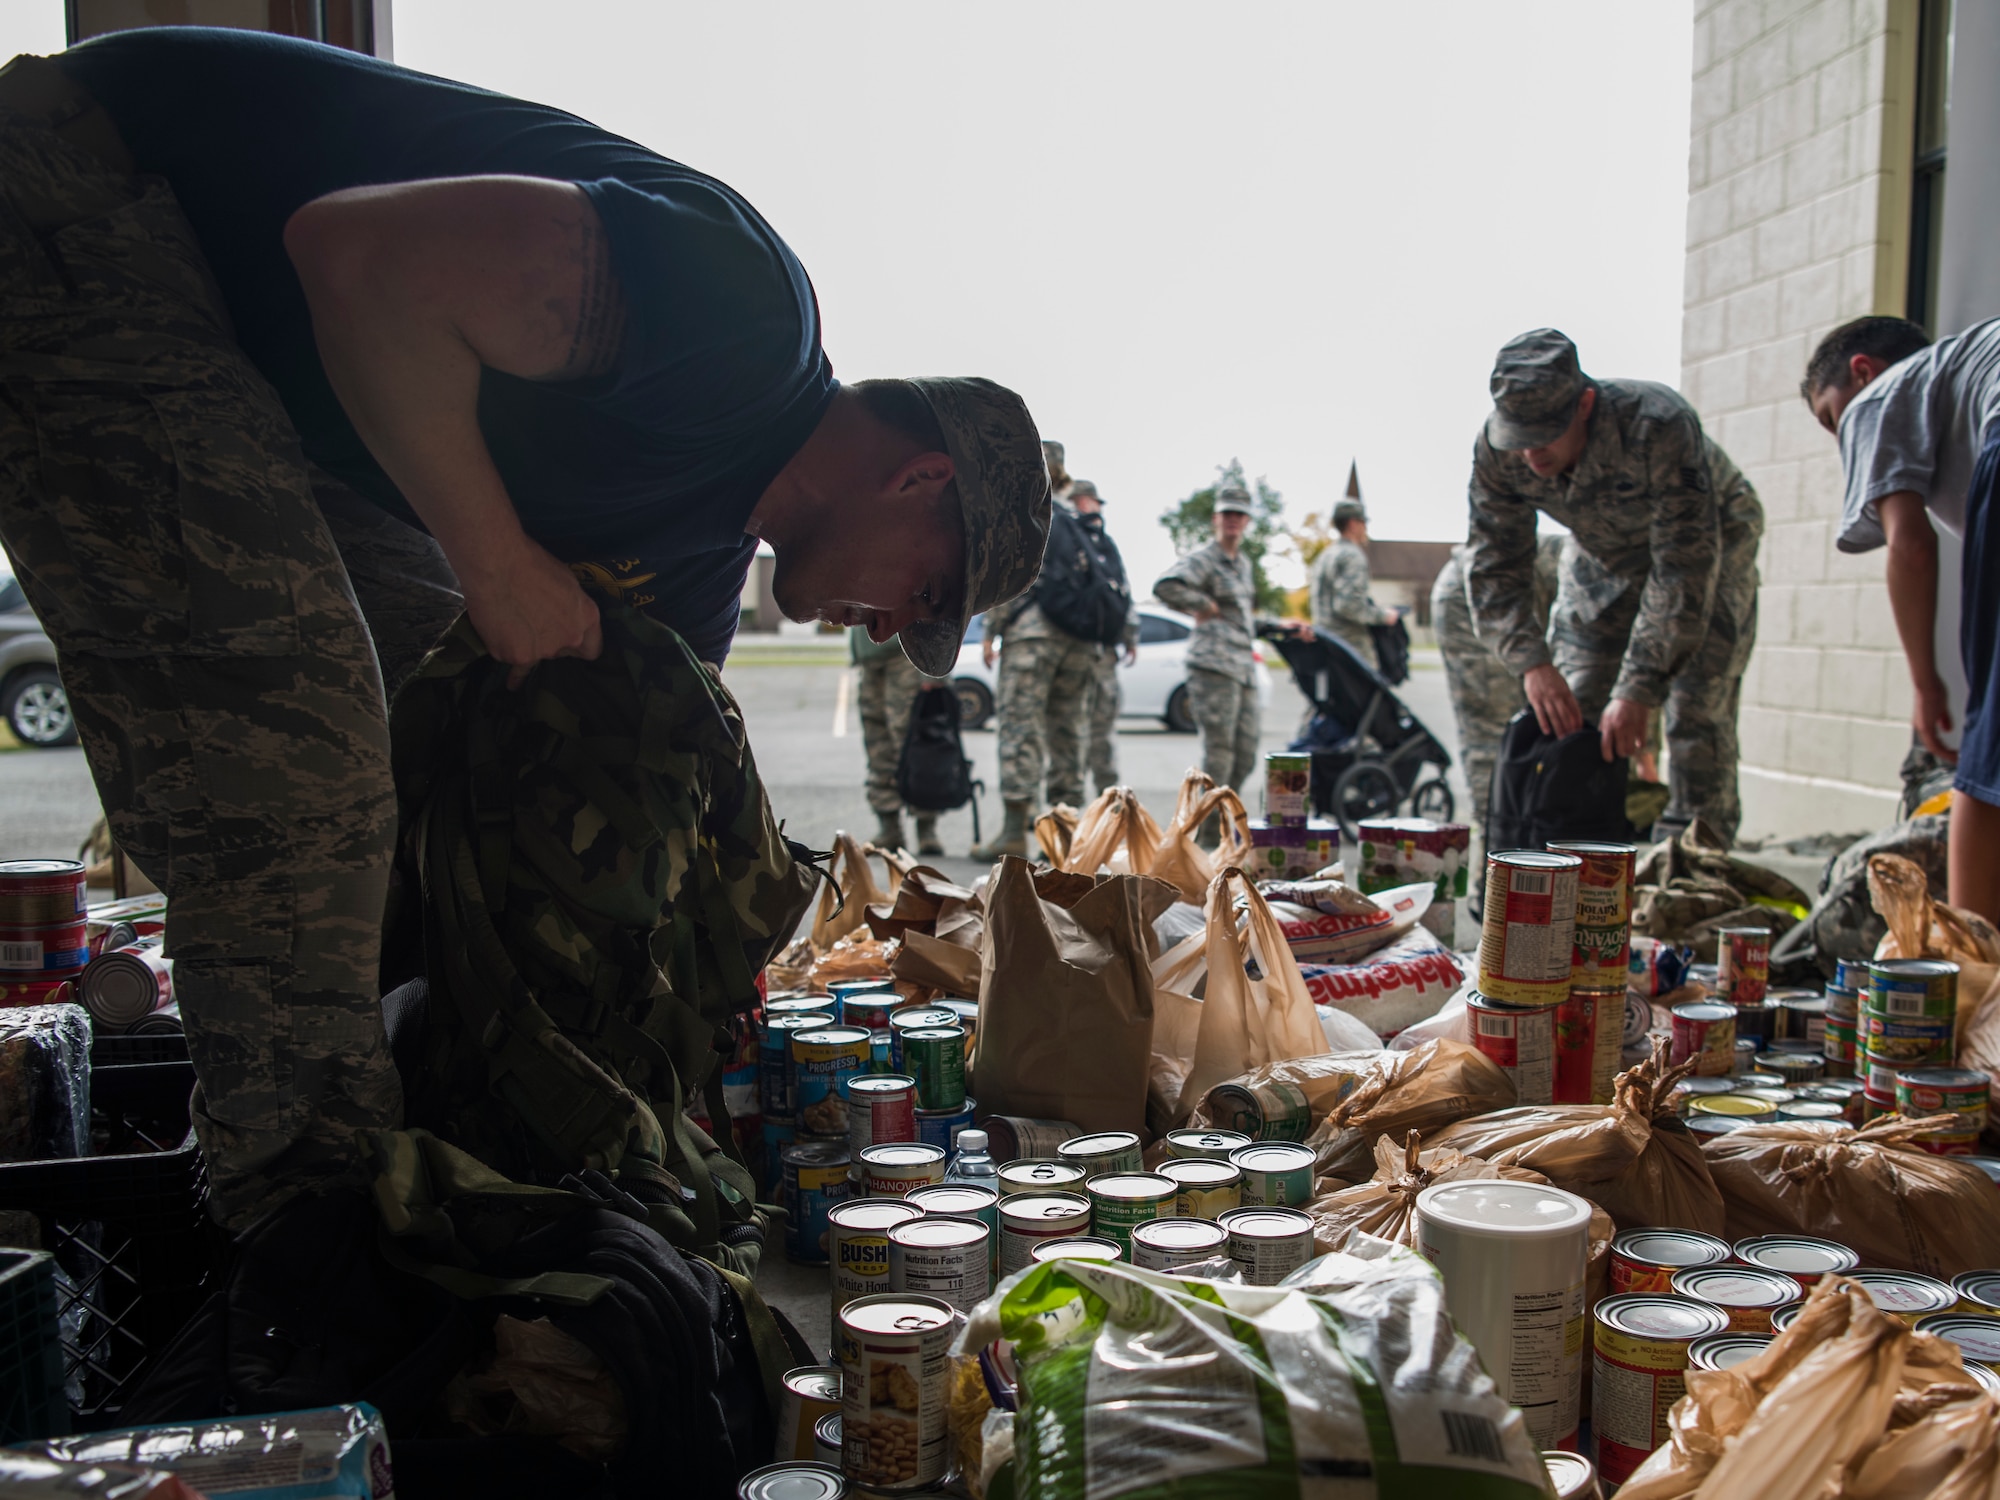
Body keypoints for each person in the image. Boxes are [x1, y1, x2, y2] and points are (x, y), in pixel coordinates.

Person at [0, 33, 1050, 1230]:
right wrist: (494, 566)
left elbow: (621, 760)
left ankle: (435, 1140)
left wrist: (708, 981)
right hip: (90, 191)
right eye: (924, 597)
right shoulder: (745, 322)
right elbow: (354, 256)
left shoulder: (702, 553)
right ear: (918, 482)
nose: (889, 630)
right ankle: (309, 1259)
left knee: (451, 743)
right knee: (303, 788)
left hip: (277, 384)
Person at [1467, 328, 1762, 845]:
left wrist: (1639, 685)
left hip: (1710, 542)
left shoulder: (1659, 424)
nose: (1531, 452)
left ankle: (1694, 871)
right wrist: (1532, 663)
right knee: (1569, 716)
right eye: (1520, 435)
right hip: (1601, 548)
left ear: (1585, 404)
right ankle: (1570, 861)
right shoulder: (1499, 449)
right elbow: (1495, 565)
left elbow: (1683, 569)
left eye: (1546, 433)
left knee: (1696, 711)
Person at [1803, 313, 2000, 921]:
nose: (1841, 437)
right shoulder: (1963, 375)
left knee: (1987, 753)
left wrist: (1925, 684)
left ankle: (1975, 987)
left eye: (1830, 418)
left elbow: (1910, 546)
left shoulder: (1881, 395)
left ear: (1862, 372)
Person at [973, 474, 1125, 856]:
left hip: (1033, 637)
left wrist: (993, 629)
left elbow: (1008, 574)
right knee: (1069, 735)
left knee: (1020, 731)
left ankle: (1013, 831)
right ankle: (1064, 834)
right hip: (1080, 642)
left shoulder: (1027, 512)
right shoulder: (1081, 523)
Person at [1154, 486, 1308, 830]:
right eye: (1227, 514)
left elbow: (1244, 619)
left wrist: (1282, 625)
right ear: (1216, 520)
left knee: (1246, 754)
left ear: (1247, 521)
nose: (1233, 521)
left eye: (1239, 515)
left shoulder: (1243, 564)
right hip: (1213, 665)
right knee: (1219, 755)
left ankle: (1220, 822)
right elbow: (1165, 585)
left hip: (1242, 666)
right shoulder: (1204, 558)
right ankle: (1207, 837)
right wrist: (1203, 605)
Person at [1432, 534, 1561, 839]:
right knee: (1491, 735)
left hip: (1500, 591)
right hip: (1478, 596)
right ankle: (1495, 862)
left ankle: (1513, 849)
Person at [851, 625, 948, 855]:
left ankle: (926, 828)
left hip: (907, 654)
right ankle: (889, 826)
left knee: (916, 746)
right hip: (870, 657)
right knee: (878, 744)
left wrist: (934, 666)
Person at [1069, 480, 1139, 795]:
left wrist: (1130, 636)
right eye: (1088, 502)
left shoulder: (1105, 545)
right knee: (1068, 733)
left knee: (1102, 734)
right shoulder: (1065, 536)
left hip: (1103, 656)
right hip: (1072, 652)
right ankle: (1066, 811)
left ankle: (1109, 806)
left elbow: (1122, 592)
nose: (1093, 509)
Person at [1310, 498, 1400, 665]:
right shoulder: (1352, 556)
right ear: (1352, 523)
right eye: (1363, 522)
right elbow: (1349, 605)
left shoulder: (1325, 555)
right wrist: (1384, 616)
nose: (1365, 528)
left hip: (1326, 644)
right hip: (1350, 649)